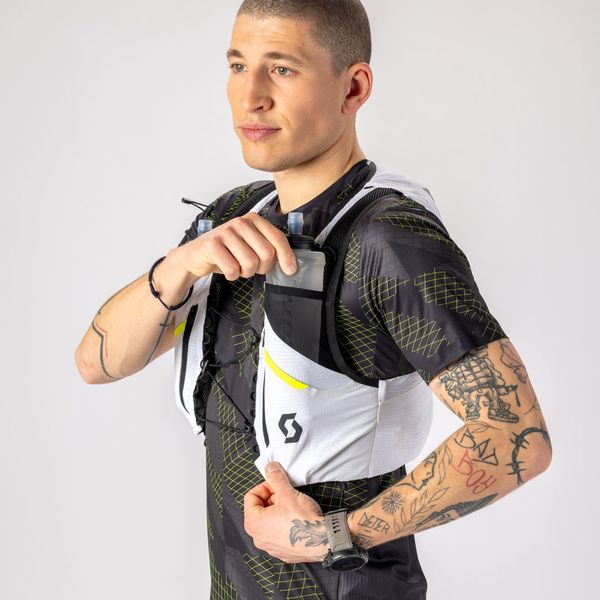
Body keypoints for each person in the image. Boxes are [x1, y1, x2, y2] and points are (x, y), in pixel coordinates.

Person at [75, 1, 553, 598]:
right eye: (238, 65)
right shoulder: (234, 217)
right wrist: (177, 267)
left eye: (282, 69)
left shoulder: (388, 239)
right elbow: (97, 363)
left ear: (354, 88)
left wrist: (335, 535)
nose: (250, 97)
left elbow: (516, 436)